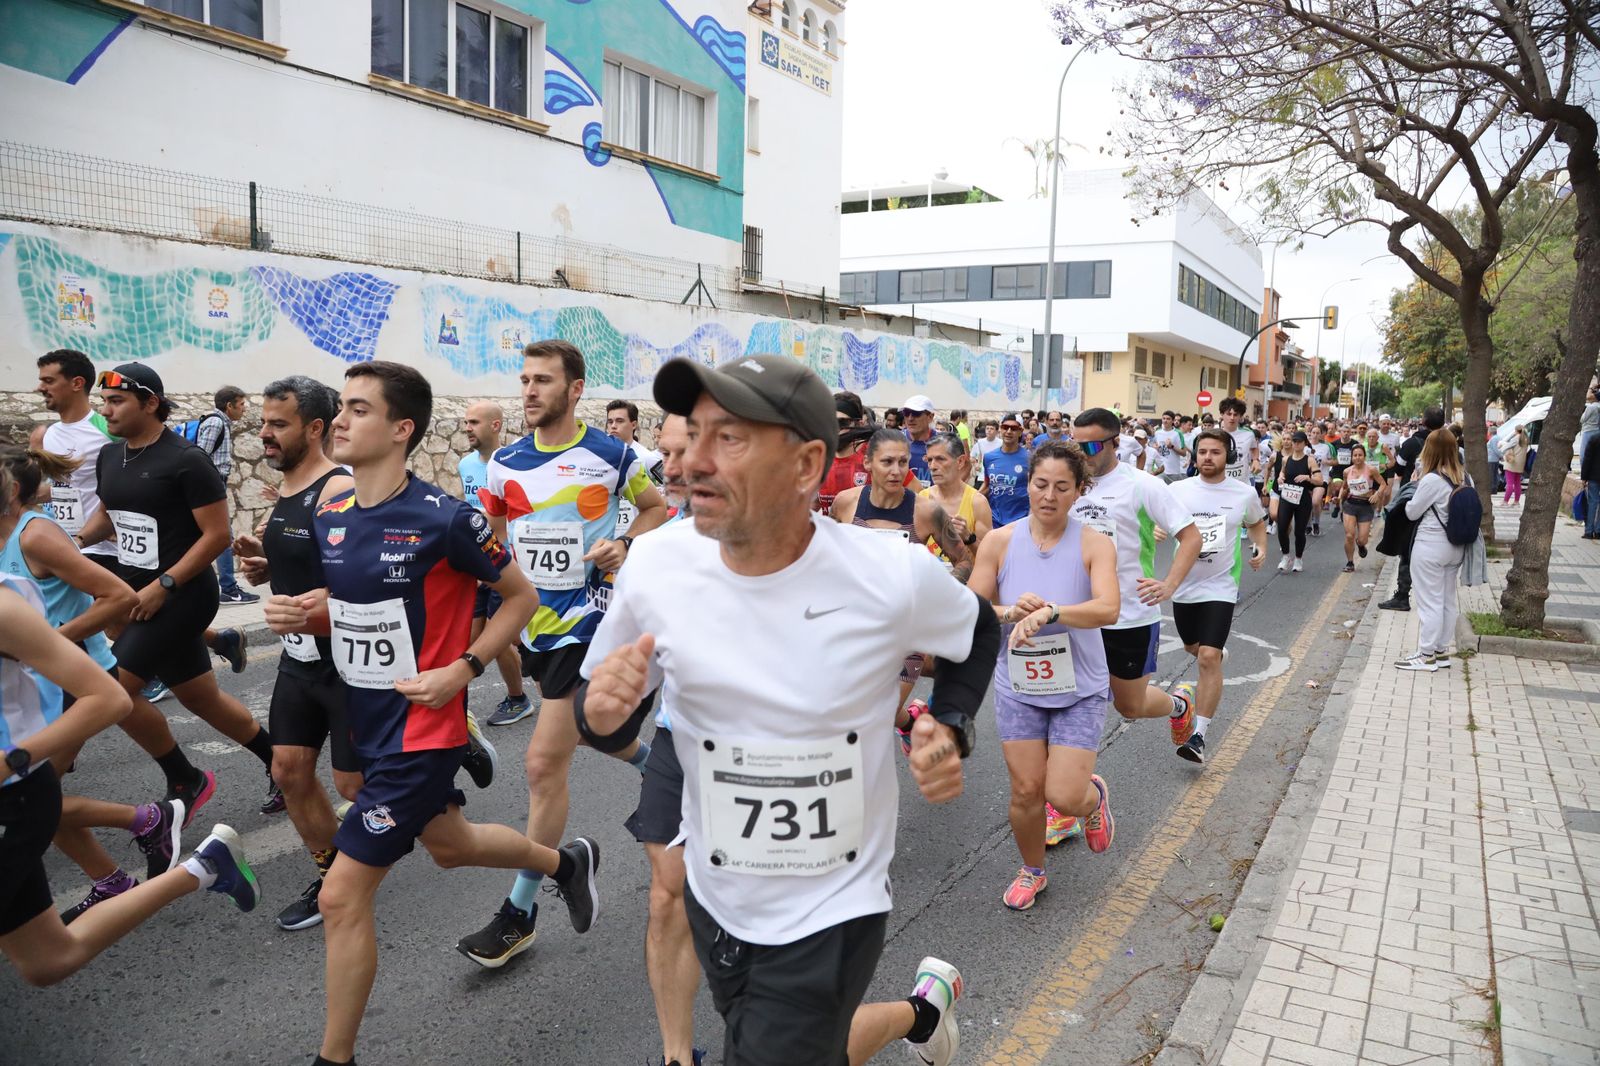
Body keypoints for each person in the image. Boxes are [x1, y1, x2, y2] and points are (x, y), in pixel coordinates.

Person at [577, 353, 1000, 1066]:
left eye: (729, 439)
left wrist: (950, 723)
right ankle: (921, 1014)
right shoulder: (656, 566)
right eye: (694, 433)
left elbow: (977, 630)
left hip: (833, 906)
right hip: (716, 899)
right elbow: (605, 718)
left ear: (807, 466)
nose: (692, 462)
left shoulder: (886, 572)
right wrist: (604, 710)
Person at [264, 361, 599, 1066]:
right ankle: (564, 864)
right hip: (366, 718)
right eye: (343, 408)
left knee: (341, 898)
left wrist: (465, 669)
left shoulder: (446, 519)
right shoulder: (331, 513)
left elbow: (520, 597)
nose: (343, 421)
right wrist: (302, 612)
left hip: (425, 729)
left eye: (359, 410)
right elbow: (359, 611)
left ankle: (335, 1056)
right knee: (451, 847)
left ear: (401, 429)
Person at [457, 340, 666, 968]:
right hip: (536, 627)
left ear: (574, 389)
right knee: (597, 735)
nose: (528, 391)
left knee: (544, 765)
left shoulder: (612, 454)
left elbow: (657, 509)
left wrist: (624, 543)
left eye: (542, 380)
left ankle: (520, 910)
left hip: (590, 625)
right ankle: (670, 773)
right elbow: (495, 538)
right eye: (523, 379)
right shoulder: (504, 464)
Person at [0, 553, 260, 989]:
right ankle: (200, 867)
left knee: (194, 698)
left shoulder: (13, 589)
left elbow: (110, 696)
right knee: (48, 961)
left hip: (15, 791)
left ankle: (166, 808)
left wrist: (13, 759)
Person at [73, 364, 274, 812]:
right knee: (201, 698)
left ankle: (185, 778)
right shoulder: (111, 456)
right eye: (104, 402)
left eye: (117, 401)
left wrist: (165, 584)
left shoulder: (186, 459)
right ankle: (280, 763)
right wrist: (77, 541)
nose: (107, 411)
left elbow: (216, 535)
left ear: (150, 403)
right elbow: (109, 512)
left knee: (112, 690)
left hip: (182, 594)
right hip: (137, 590)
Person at [227, 376, 362, 931]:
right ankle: (333, 878)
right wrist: (266, 562)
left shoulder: (338, 489)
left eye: (278, 424)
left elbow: (363, 578)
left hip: (347, 663)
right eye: (263, 422)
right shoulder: (286, 490)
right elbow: (304, 559)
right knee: (288, 771)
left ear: (314, 428)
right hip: (297, 658)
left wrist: (313, 600)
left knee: (355, 788)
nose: (265, 434)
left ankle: (451, 739)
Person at [968, 440, 1119, 910]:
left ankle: (1090, 799)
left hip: (1079, 687)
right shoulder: (999, 541)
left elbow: (1108, 608)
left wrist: (1053, 612)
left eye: (1061, 487)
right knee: (1027, 790)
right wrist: (1012, 610)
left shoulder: (1095, 543)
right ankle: (1033, 870)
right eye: (1040, 485)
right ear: (1027, 483)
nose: (1048, 496)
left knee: (1063, 795)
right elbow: (971, 608)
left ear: (1079, 492)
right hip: (1020, 685)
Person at [0, 445, 147, 921]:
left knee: (34, 797)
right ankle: (114, 879)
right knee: (34, 800)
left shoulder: (35, 536)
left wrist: (44, 645)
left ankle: (150, 821)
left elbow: (118, 595)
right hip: (37, 682)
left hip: (76, 678)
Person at [619, 412, 707, 1066]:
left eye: (686, 452)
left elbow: (962, 637)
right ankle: (678, 1056)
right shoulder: (653, 553)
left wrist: (940, 719)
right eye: (665, 453)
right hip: (680, 743)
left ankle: (920, 1011)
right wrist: (604, 702)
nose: (668, 469)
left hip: (777, 758)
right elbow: (607, 682)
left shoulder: (824, 547)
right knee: (666, 893)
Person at [1068, 409, 1202, 733]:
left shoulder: (1141, 485)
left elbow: (1191, 536)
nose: (1080, 454)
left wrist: (1169, 584)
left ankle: (1178, 704)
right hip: (1078, 613)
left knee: (1130, 705)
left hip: (1130, 614)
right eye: (1075, 445)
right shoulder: (1067, 484)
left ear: (1115, 443)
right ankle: (1075, 775)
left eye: (1090, 447)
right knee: (1072, 698)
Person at [1165, 431, 1268, 764]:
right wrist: (1156, 529)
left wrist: (1261, 546)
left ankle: (1199, 735)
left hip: (1220, 585)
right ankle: (1211, 651)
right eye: (1203, 452)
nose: (1208, 458)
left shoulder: (1243, 493)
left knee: (1207, 658)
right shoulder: (1177, 490)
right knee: (1193, 648)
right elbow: (1158, 521)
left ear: (1229, 456)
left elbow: (1256, 523)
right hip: (1183, 586)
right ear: (1194, 456)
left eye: (1215, 452)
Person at [458, 401, 533, 726]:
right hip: (477, 561)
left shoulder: (514, 465)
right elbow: (471, 509)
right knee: (472, 636)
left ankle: (518, 698)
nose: (467, 428)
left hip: (504, 562)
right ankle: (530, 651)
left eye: (474, 422)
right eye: (465, 422)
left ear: (496, 426)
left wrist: (498, 556)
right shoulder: (465, 465)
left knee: (496, 634)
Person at [32, 350, 117, 565]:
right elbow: (65, 488)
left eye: (48, 381)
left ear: (77, 383)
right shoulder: (48, 434)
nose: (40, 388)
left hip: (103, 551)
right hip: (63, 549)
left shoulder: (108, 432)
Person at [1395, 430, 1470, 671]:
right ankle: (1441, 651)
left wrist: (1414, 487)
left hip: (1430, 546)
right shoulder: (1464, 476)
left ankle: (1426, 654)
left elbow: (1411, 512)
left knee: (1430, 602)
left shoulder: (1431, 480)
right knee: (1447, 600)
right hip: (1456, 546)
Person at [196, 385, 261, 606]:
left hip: (212, 486)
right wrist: (209, 487)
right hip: (210, 488)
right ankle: (229, 588)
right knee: (223, 537)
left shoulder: (221, 422)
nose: (244, 409)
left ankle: (222, 587)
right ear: (229, 405)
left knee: (217, 537)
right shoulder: (215, 422)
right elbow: (199, 457)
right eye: (241, 405)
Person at [1380, 407, 1444, 612]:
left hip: (1415, 498)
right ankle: (1433, 596)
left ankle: (1402, 595)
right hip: (1441, 503)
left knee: (1407, 546)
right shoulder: (1449, 445)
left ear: (1423, 421)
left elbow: (1398, 469)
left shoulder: (1410, 444)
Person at [920, 434, 992, 569]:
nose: (933, 466)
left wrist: (969, 538)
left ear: (960, 462)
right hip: (929, 585)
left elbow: (989, 559)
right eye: (929, 460)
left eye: (940, 459)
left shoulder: (977, 502)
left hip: (966, 585)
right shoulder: (922, 499)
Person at [607, 399, 664, 538]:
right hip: (607, 535)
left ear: (633, 425)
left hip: (636, 535)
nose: (614, 426)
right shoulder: (600, 456)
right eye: (610, 422)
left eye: (620, 421)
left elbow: (665, 492)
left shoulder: (647, 458)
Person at [1271, 430, 1322, 572]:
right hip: (1287, 496)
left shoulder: (1309, 460)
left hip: (1303, 499)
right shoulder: (1286, 459)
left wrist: (1308, 478)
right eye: (1294, 441)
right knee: (1282, 527)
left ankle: (1298, 559)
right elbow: (1282, 472)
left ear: (1305, 443)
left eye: (1299, 442)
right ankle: (1286, 556)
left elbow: (1320, 480)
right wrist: (1280, 477)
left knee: (1299, 532)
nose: (1296, 444)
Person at [1336, 442, 1384, 573]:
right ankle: (1350, 562)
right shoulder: (1347, 471)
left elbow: (1383, 484)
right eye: (1355, 455)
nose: (1357, 457)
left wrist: (1377, 495)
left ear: (1364, 456)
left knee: (1362, 539)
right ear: (1352, 457)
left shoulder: (1371, 470)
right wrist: (1339, 498)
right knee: (1349, 535)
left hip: (1365, 506)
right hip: (1351, 504)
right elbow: (1345, 487)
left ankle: (1361, 545)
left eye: (1360, 455)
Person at [982, 413, 1032, 527]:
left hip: (1020, 522)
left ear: (1020, 431)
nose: (1009, 431)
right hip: (994, 521)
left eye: (1014, 428)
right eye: (1005, 427)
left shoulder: (1031, 458)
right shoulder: (989, 457)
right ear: (1000, 429)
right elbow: (987, 486)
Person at [900, 395, 937, 483]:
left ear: (930, 417)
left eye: (916, 413)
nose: (910, 418)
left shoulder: (944, 441)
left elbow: (964, 467)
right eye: (906, 413)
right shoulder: (896, 440)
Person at [1502, 426, 1530, 506]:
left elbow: (1505, 448)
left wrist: (1502, 449)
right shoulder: (1526, 439)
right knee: (1517, 483)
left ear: (1516, 431)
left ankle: (1505, 501)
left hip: (1512, 462)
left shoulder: (1515, 438)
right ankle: (1516, 501)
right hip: (1520, 463)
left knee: (1509, 483)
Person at [1581, 428, 1600, 540]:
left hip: (1593, 476)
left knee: (1592, 503)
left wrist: (1584, 477)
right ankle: (1598, 531)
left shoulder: (1594, 438)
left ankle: (1589, 531)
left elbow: (1587, 459)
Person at [1579, 388, 1599, 470]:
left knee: (1584, 453)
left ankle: (1584, 472)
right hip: (1597, 429)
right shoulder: (1598, 406)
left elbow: (1582, 419)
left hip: (1588, 430)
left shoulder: (1591, 407)